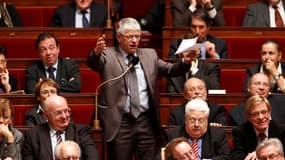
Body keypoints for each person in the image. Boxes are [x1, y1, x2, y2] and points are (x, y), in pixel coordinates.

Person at [86, 17, 194, 160]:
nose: (134, 40)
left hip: (146, 121)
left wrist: (185, 62)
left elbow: (170, 70)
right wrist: (97, 52)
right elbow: (94, 63)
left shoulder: (150, 55)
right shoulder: (108, 55)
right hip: (120, 123)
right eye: (130, 36)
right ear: (119, 37)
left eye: (137, 36)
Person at [21, 95, 98, 160]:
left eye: (66, 111)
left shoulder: (81, 131)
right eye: (58, 113)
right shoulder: (32, 135)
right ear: (46, 115)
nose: (64, 116)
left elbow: (92, 157)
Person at [165, 99, 230, 159]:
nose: (196, 124)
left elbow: (226, 156)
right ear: (185, 119)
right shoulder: (172, 135)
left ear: (207, 120)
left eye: (201, 120)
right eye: (192, 120)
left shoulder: (217, 134)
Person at [230, 95, 285, 160]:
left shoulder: (282, 130)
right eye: (255, 114)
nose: (261, 117)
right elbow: (236, 156)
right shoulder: (240, 132)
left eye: (264, 112)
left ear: (270, 112)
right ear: (248, 117)